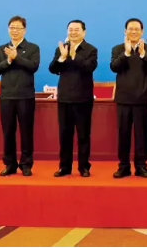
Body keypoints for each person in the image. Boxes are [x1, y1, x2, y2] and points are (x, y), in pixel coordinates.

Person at [110, 18, 147, 178]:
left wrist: (143, 54)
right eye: (130, 29)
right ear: (125, 31)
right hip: (123, 99)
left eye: (137, 29)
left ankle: (141, 166)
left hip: (142, 98)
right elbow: (114, 67)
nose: (133, 31)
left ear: (142, 32)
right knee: (123, 134)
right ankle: (123, 166)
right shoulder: (118, 49)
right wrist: (126, 54)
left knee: (141, 135)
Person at [49, 20, 98, 178]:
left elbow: (89, 67)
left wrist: (73, 56)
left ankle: (84, 167)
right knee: (64, 135)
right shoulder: (61, 48)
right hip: (64, 98)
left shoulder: (91, 49)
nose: (73, 32)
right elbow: (52, 69)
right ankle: (64, 167)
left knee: (83, 135)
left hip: (83, 99)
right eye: (70, 29)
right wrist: (62, 58)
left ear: (84, 32)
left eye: (77, 30)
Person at [0, 16, 40, 177]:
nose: (14, 31)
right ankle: (10, 164)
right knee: (8, 132)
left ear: (24, 30)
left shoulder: (33, 48)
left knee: (26, 131)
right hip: (7, 96)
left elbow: (33, 66)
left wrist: (16, 57)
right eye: (12, 27)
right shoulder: (1, 49)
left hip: (25, 96)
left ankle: (26, 164)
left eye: (18, 28)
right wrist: (8, 60)